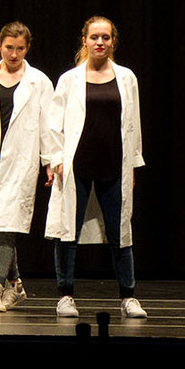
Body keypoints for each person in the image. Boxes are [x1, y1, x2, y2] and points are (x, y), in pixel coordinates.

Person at [45, 16, 146, 319]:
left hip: (113, 165)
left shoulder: (126, 77)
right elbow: (54, 124)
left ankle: (128, 296)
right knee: (68, 232)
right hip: (76, 167)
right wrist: (56, 160)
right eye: (94, 37)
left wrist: (132, 164)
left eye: (105, 37)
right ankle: (65, 295)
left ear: (112, 42)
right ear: (84, 41)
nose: (100, 42)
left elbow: (133, 124)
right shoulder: (69, 79)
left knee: (120, 233)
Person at [0, 23, 56, 313]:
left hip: (20, 161)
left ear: (27, 48)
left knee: (7, 225)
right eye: (9, 47)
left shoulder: (39, 82)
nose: (14, 54)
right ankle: (15, 283)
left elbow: (48, 125)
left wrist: (50, 162)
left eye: (20, 48)